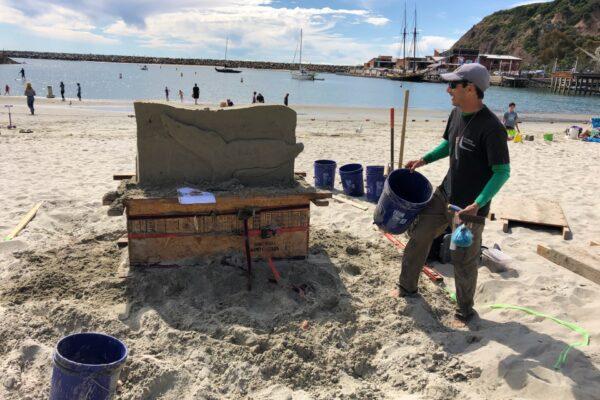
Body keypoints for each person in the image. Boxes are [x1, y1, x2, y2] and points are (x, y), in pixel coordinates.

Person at [401, 63, 510, 324]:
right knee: (419, 237)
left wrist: (478, 203)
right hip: (444, 194)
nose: (448, 89)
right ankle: (406, 289)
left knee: (463, 260)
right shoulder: (456, 113)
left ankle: (464, 312)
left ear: (470, 89)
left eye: (453, 85)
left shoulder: (492, 128)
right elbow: (449, 144)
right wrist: (424, 160)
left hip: (470, 209)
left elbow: (502, 172)